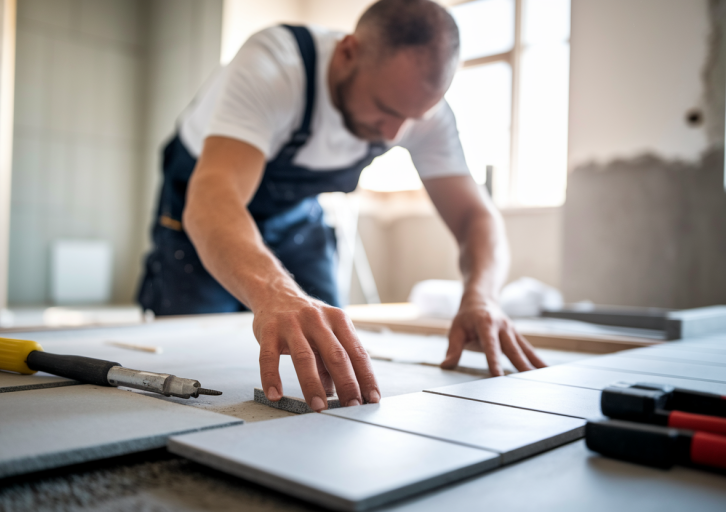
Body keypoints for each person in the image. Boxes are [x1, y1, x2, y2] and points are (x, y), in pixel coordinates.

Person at [138, 0, 546, 413]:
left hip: (295, 215)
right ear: (349, 51)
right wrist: (275, 292)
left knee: (325, 343)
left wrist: (481, 296)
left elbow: (476, 216)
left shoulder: (422, 112)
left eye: (413, 117)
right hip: (201, 209)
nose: (394, 133)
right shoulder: (276, 65)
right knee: (189, 356)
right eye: (385, 110)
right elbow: (213, 199)